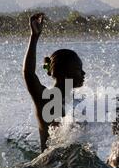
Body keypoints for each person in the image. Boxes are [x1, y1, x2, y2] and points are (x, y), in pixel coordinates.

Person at [23, 13, 85, 152]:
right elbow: (28, 74)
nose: (83, 74)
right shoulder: (46, 98)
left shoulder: (74, 101)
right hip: (48, 167)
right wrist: (34, 37)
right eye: (78, 69)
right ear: (64, 73)